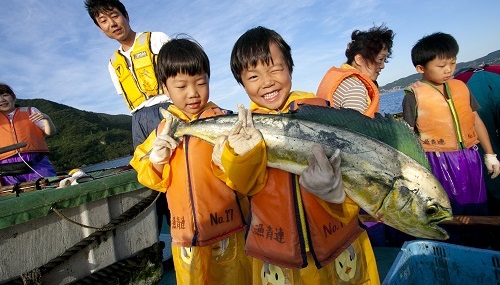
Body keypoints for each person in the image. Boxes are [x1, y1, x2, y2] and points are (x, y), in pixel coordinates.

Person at [212, 26, 380, 284]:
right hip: (279, 256)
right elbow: (243, 186)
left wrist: (336, 194)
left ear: (290, 67)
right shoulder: (240, 132)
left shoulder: (323, 113)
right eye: (253, 76)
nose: (267, 82)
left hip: (337, 245)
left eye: (275, 69)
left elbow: (356, 174)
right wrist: (238, 157)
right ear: (242, 84)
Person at [129, 38, 252, 284]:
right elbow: (144, 169)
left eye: (201, 83)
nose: (193, 93)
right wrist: (156, 160)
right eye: (181, 86)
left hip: (230, 233)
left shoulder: (226, 122)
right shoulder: (162, 130)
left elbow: (247, 176)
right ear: (165, 88)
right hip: (185, 239)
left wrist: (233, 158)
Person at [85, 0, 171, 230]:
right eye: (103, 21)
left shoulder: (157, 39)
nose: (111, 24)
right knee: (149, 175)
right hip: (138, 121)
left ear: (126, 15)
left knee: (174, 172)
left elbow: (180, 74)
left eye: (114, 16)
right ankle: (161, 240)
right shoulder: (113, 63)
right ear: (99, 28)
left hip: (166, 109)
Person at [402, 32, 500, 217]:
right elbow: (408, 134)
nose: (449, 70)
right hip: (438, 160)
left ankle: (480, 242)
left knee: (479, 202)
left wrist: (490, 154)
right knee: (450, 207)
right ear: (420, 68)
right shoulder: (412, 96)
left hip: (471, 155)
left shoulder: (461, 87)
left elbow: (475, 120)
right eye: (441, 66)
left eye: (453, 63)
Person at [316, 24, 395, 118]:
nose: (382, 66)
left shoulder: (343, 82)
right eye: (380, 59)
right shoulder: (355, 89)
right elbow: (354, 131)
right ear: (359, 59)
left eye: (384, 60)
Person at [0, 83, 57, 186]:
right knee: (15, 197)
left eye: (5, 95)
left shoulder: (31, 111)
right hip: (6, 167)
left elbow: (50, 132)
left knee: (49, 187)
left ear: (13, 97)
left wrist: (47, 118)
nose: (2, 100)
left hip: (36, 161)